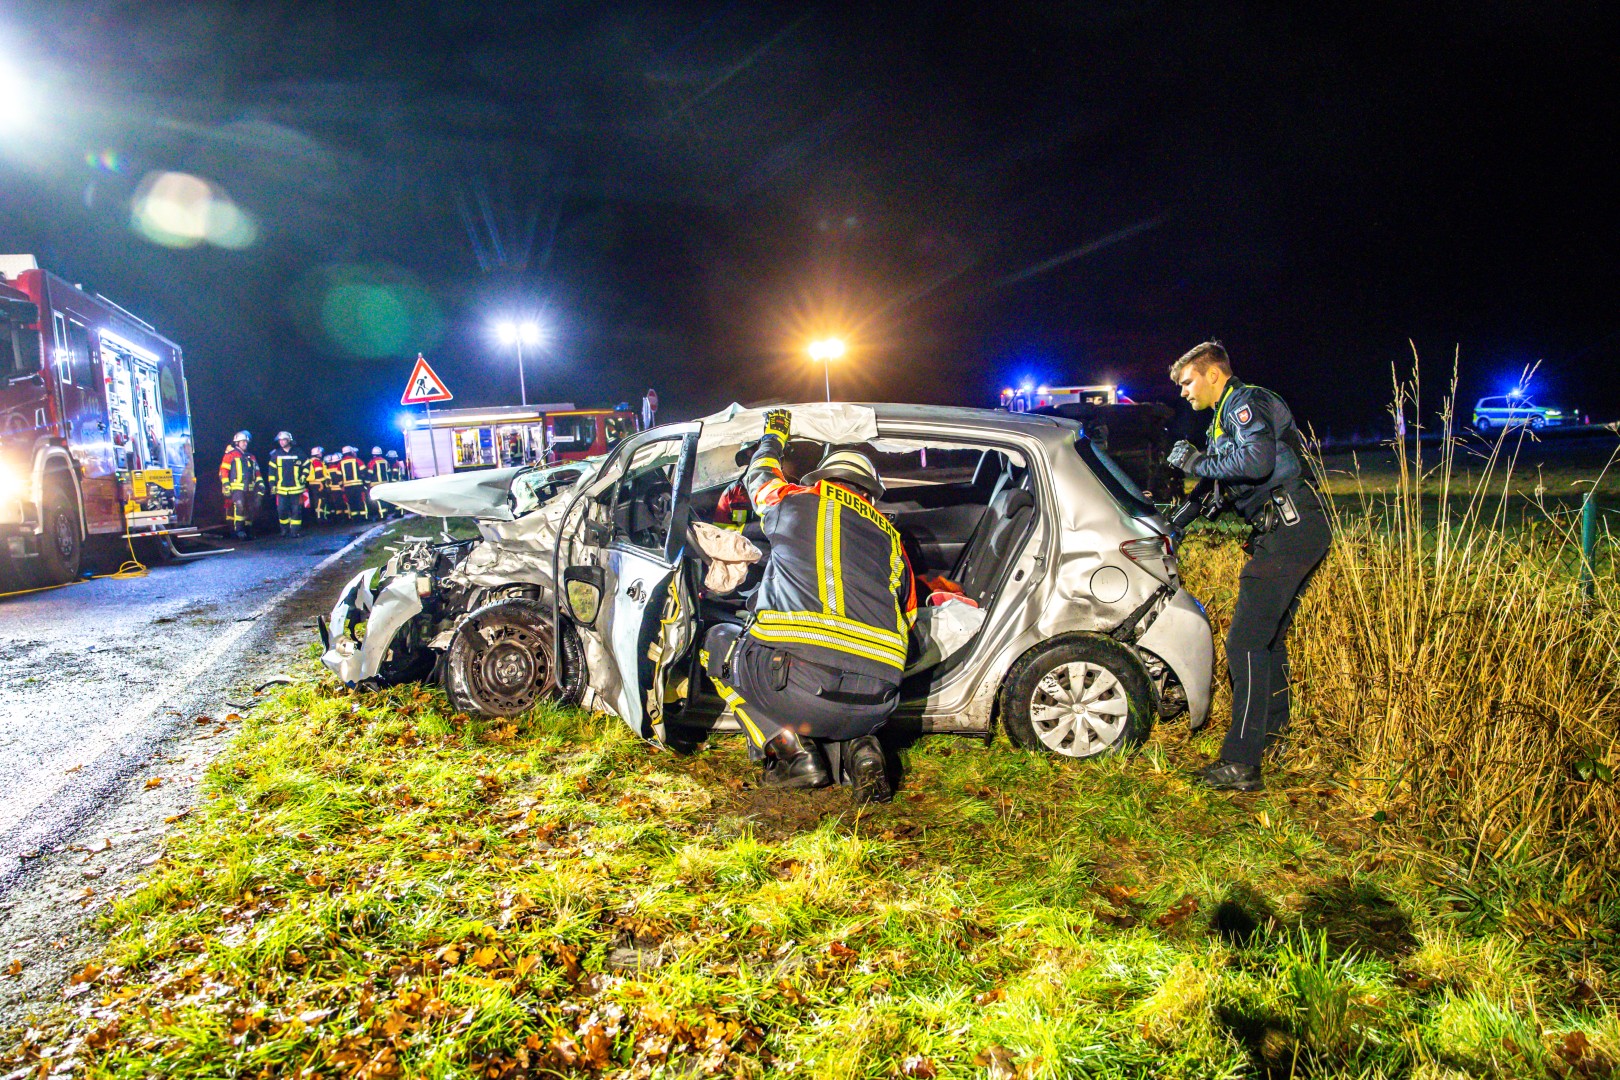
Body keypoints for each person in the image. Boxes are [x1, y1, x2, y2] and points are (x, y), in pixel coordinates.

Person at [699, 408, 916, 803]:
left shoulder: (793, 502)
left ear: (822, 480)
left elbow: (760, 476)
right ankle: (862, 749)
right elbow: (909, 616)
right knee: (847, 674)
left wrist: (773, 436)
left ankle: (792, 754)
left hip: (797, 688)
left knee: (716, 642)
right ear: (870, 493)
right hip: (878, 701)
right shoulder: (894, 542)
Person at [1166, 341, 1332, 791]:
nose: (1183, 392)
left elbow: (1255, 464)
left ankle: (1240, 762)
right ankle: (1269, 741)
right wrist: (1175, 522)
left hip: (1289, 529)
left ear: (1213, 374)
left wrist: (1197, 461)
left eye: (1186, 382)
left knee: (1244, 642)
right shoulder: (1224, 417)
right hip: (1289, 530)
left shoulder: (1246, 402)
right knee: (1268, 641)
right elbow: (1217, 483)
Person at [217, 431, 258, 541]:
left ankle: (248, 531)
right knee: (239, 507)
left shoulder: (250, 456)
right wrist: (226, 484)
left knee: (250, 509)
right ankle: (239, 531)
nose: (245, 443)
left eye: (246, 442)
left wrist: (260, 484)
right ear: (237, 443)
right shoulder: (230, 455)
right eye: (243, 441)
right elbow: (224, 471)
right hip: (236, 488)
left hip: (249, 488)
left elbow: (256, 472)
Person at [266, 431, 305, 537]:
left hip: (296, 487)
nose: (281, 442)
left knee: (296, 510)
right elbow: (271, 472)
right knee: (282, 510)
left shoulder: (298, 452)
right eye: (280, 440)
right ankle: (284, 529)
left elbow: (306, 465)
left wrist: (304, 475)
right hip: (281, 488)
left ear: (289, 440)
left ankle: (295, 531)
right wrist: (272, 485)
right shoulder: (276, 454)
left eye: (284, 440)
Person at [339, 445, 364, 521]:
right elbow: (363, 471)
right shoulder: (357, 460)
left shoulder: (340, 463)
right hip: (358, 485)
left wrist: (341, 486)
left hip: (347, 487)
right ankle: (362, 518)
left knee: (351, 502)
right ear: (351, 452)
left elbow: (338, 476)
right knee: (359, 501)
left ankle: (355, 518)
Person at [305, 446, 329, 523]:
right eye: (320, 453)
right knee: (319, 501)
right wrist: (322, 483)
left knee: (318, 500)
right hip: (318, 483)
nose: (321, 454)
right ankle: (320, 518)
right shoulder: (317, 462)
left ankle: (321, 517)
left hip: (313, 483)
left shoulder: (311, 461)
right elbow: (319, 474)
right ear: (317, 454)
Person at [365, 446, 390, 520]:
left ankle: (382, 515)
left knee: (377, 500)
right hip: (385, 483)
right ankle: (384, 513)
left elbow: (369, 474)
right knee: (384, 499)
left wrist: (367, 483)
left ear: (373, 454)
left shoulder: (372, 462)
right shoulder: (385, 461)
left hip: (375, 484)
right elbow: (388, 472)